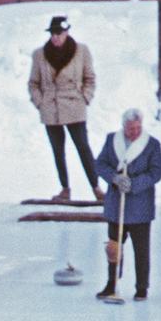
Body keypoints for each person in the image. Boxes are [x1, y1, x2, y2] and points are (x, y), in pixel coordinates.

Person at [28, 15, 103, 203]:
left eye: (59, 33)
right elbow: (33, 83)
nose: (55, 37)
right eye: (53, 33)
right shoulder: (39, 54)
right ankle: (65, 189)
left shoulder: (81, 51)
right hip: (51, 108)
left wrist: (85, 97)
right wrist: (40, 102)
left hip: (74, 106)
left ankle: (97, 188)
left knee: (83, 147)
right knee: (57, 150)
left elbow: (90, 78)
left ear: (67, 32)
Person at [95, 106, 161, 301]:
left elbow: (155, 172)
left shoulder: (152, 145)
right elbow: (100, 164)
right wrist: (114, 178)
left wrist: (133, 184)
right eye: (130, 128)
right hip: (117, 206)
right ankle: (112, 283)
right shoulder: (111, 141)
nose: (134, 132)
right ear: (123, 126)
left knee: (142, 250)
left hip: (140, 206)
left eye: (137, 128)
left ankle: (142, 287)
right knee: (114, 248)